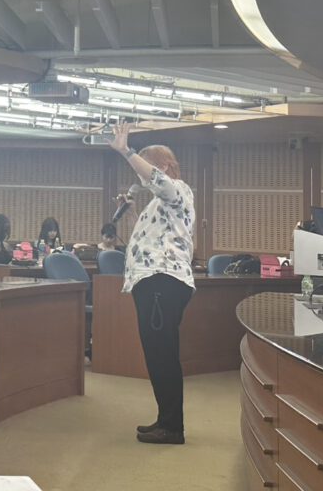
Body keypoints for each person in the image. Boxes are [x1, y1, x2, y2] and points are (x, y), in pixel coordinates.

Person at [108, 121, 194, 446]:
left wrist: (126, 151)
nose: (140, 175)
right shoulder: (158, 204)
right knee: (157, 354)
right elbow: (150, 239)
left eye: (146, 167)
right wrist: (131, 214)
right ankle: (166, 419)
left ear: (165, 167)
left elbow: (158, 181)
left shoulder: (178, 189)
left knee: (162, 354)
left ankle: (172, 427)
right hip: (154, 281)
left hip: (162, 281)